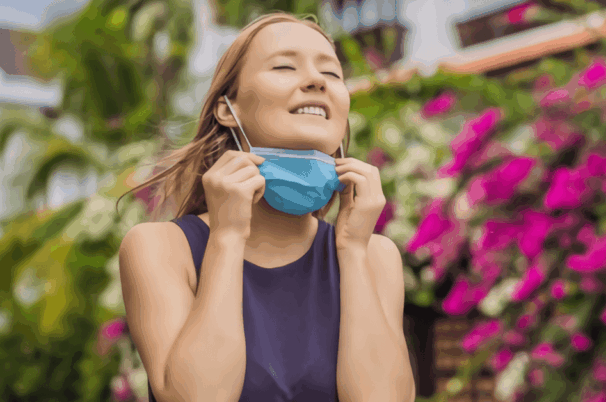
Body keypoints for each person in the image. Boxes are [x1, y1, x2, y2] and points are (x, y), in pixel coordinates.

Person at [116, 12, 416, 402]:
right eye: (284, 67)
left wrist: (353, 252)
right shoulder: (159, 248)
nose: (316, 81)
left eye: (332, 72)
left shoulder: (376, 255)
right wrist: (226, 237)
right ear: (228, 109)